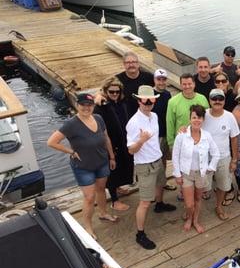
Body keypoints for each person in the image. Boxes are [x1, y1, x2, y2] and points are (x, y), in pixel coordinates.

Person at [47, 92, 117, 240]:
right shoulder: (71, 124)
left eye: (89, 105)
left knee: (101, 190)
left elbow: (106, 138)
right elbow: (51, 142)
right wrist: (70, 151)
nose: (86, 108)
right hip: (83, 167)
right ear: (77, 105)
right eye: (83, 105)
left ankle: (103, 213)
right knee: (89, 197)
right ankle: (88, 227)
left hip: (102, 162)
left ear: (93, 106)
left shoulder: (98, 118)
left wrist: (111, 156)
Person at [127, 86, 177, 250]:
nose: (148, 103)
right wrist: (141, 140)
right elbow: (131, 150)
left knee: (161, 184)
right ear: (139, 100)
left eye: (151, 100)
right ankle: (139, 234)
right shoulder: (134, 123)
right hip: (144, 165)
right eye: (145, 100)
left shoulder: (154, 116)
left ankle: (160, 204)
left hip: (157, 159)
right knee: (144, 202)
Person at [172, 105, 220, 233]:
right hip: (187, 174)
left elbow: (216, 153)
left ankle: (195, 220)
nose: (197, 120)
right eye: (194, 117)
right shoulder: (182, 135)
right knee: (189, 204)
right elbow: (175, 155)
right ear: (190, 119)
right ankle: (188, 217)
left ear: (203, 119)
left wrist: (210, 168)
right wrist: (177, 174)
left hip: (201, 174)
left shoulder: (207, 136)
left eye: (199, 117)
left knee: (198, 199)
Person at [93, 77, 133, 211]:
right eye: (111, 92)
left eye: (117, 91)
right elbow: (100, 130)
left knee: (123, 167)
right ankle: (114, 201)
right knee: (112, 171)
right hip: (110, 144)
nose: (115, 94)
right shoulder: (101, 107)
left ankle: (118, 187)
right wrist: (108, 151)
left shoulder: (121, 103)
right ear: (105, 91)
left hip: (123, 141)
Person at [203, 89, 240, 220]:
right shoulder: (203, 114)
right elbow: (192, 127)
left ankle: (218, 206)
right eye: (214, 98)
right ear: (209, 100)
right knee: (202, 186)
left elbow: (234, 138)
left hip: (224, 157)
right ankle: (194, 209)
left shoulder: (230, 116)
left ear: (224, 101)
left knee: (223, 185)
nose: (217, 101)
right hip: (205, 159)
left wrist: (234, 160)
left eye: (220, 98)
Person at [166, 73, 210, 149]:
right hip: (181, 142)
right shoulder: (172, 102)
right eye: (184, 84)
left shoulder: (202, 99)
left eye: (189, 84)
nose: (187, 86)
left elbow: (207, 120)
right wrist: (171, 143)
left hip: (200, 141)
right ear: (180, 85)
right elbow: (170, 123)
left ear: (194, 84)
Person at [151, 68, 174, 190]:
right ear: (154, 80)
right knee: (156, 163)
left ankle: (163, 183)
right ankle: (155, 189)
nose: (161, 82)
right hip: (155, 135)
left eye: (163, 79)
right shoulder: (150, 95)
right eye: (158, 79)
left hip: (166, 132)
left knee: (164, 159)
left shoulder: (167, 94)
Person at [116, 51, 154, 117]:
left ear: (138, 64)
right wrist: (99, 95)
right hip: (127, 116)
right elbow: (105, 89)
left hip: (145, 114)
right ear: (124, 64)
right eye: (128, 63)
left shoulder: (148, 77)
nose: (131, 65)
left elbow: (159, 87)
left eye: (133, 62)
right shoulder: (118, 79)